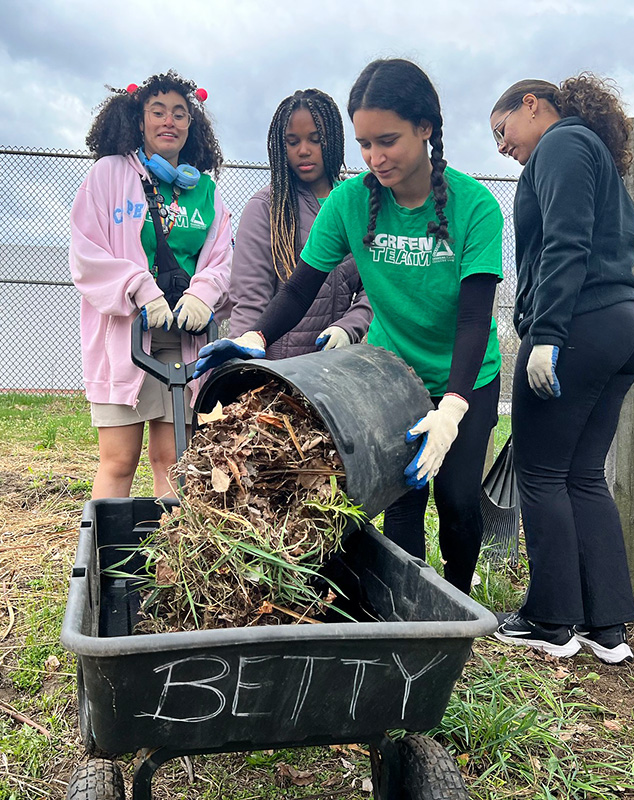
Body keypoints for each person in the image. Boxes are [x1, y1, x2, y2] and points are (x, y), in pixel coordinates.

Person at [195, 59, 503, 595]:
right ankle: (412, 605)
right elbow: (299, 287)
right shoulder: (351, 202)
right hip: (392, 372)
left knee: (455, 499)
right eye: (363, 144)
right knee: (401, 493)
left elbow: (476, 318)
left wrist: (453, 408)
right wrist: (256, 337)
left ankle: (458, 600)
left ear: (426, 128)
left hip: (465, 375)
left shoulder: (475, 207)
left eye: (388, 141)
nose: (374, 158)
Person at [489, 75, 634, 663]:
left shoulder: (562, 144)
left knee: (540, 470)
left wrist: (547, 334)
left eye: (502, 130)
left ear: (532, 105)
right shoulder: (593, 153)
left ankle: (551, 620)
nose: (502, 146)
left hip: (579, 324)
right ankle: (606, 628)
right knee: (582, 472)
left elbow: (565, 242)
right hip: (621, 323)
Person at [69, 71, 232, 499]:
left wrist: (202, 295)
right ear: (139, 120)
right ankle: (110, 559)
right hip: (126, 337)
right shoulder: (109, 175)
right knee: (119, 461)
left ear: (190, 125)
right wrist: (140, 288)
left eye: (179, 113)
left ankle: (173, 563)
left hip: (183, 340)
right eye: (157, 111)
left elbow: (220, 260)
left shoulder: (207, 192)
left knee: (175, 462)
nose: (169, 121)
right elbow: (87, 255)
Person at [229, 89, 372, 357]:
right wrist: (241, 369)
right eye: (292, 142)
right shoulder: (265, 208)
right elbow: (249, 301)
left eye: (315, 140)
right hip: (276, 373)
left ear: (334, 140)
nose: (303, 151)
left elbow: (372, 291)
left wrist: (348, 327)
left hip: (333, 371)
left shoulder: (355, 206)